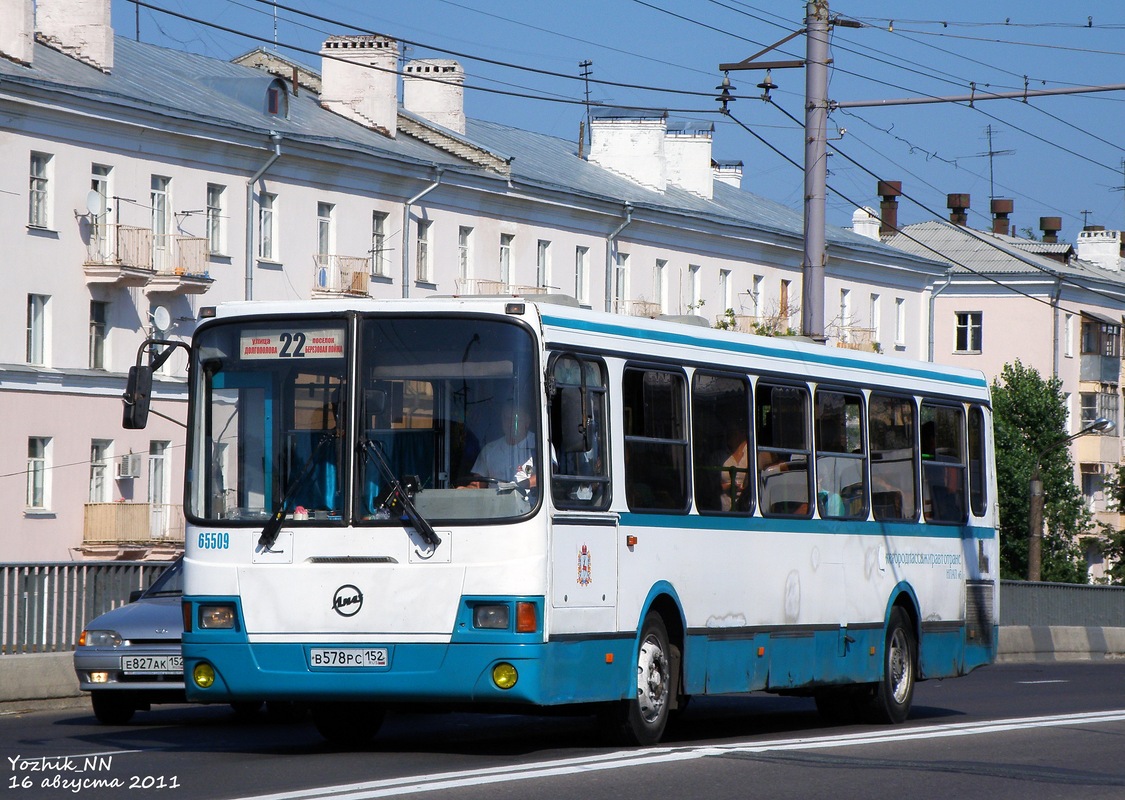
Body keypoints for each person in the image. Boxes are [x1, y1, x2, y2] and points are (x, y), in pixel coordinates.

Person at [464, 398, 537, 488]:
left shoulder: (540, 445)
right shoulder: (489, 450)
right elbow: (478, 483)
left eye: (515, 418)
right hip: (495, 501)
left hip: (530, 501)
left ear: (527, 421)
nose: (510, 423)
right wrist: (466, 490)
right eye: (506, 418)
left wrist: (517, 487)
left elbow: (547, 477)